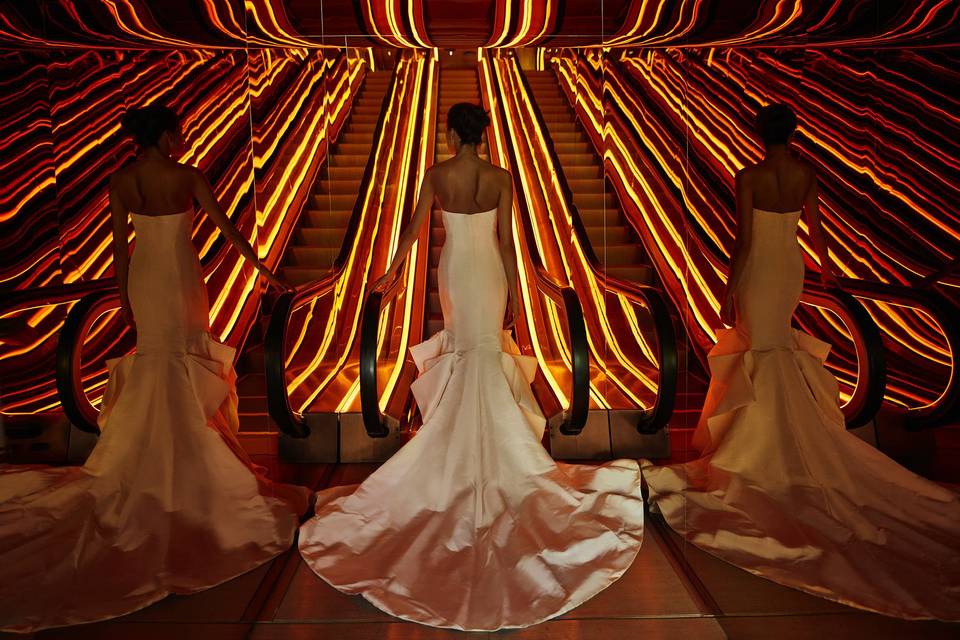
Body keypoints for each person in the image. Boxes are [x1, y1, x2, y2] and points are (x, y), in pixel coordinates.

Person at [297, 103, 645, 632]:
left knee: (464, 353)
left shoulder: (437, 174)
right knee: (486, 351)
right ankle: (502, 456)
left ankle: (453, 453)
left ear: (449, 132)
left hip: (456, 270)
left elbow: (414, 232)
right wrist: (526, 294)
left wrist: (390, 275)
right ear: (483, 133)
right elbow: (507, 242)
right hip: (488, 274)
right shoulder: (501, 176)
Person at [641, 103, 960, 621]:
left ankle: (760, 448)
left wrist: (726, 289)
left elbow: (744, 241)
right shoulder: (806, 174)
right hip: (789, 268)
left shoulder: (751, 175)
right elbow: (816, 232)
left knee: (759, 351)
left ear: (757, 133)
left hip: (760, 270)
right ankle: (788, 441)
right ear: (793, 134)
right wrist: (828, 271)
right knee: (779, 350)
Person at [0, 104, 310, 633]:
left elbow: (121, 248)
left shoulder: (122, 181)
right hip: (182, 277)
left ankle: (144, 462)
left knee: (156, 360)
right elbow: (223, 229)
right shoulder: (185, 176)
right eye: (180, 131)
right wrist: (262, 270)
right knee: (186, 360)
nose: (184, 139)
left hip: (146, 278)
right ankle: (193, 461)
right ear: (166, 135)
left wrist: (125, 297)